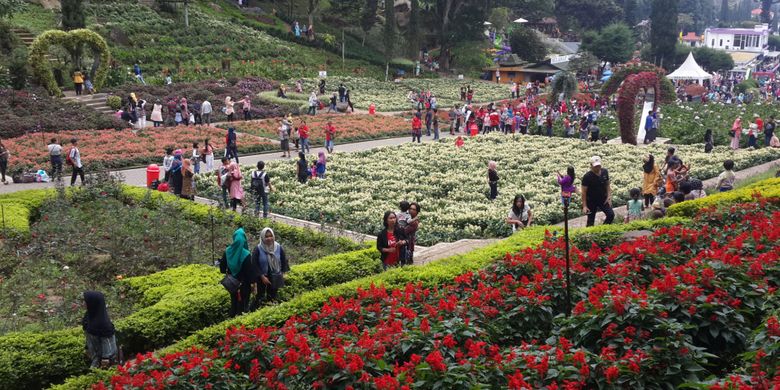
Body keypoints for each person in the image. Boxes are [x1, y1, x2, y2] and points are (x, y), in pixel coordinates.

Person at [219, 228, 258, 317]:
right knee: (243, 305)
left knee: (234, 302)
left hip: (232, 284)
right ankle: (240, 324)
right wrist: (253, 285)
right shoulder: (246, 254)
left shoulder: (228, 251)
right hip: (244, 285)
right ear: (244, 239)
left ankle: (231, 321)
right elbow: (250, 273)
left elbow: (222, 268)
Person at [252, 227, 290, 306]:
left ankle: (270, 309)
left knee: (272, 296)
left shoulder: (278, 247)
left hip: (275, 276)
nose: (269, 238)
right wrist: (262, 277)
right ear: (262, 237)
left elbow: (284, 260)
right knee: (260, 296)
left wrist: (283, 273)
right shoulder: (258, 249)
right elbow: (254, 264)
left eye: (270, 236)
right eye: (266, 236)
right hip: (262, 278)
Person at [82, 291, 118, 368]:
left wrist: (105, 359)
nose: (83, 303)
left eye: (85, 301)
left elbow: (108, 343)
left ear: (93, 303)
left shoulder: (104, 324)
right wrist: (87, 348)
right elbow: (89, 335)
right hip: (95, 358)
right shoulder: (89, 316)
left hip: (104, 362)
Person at [581, 156, 614, 227]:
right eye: (595, 166)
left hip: (603, 199)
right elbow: (584, 192)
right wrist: (584, 206)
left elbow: (607, 185)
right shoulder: (587, 176)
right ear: (591, 166)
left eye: (599, 166)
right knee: (590, 221)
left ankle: (603, 230)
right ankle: (589, 236)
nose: (597, 168)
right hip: (591, 201)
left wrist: (609, 196)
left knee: (610, 215)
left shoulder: (605, 172)